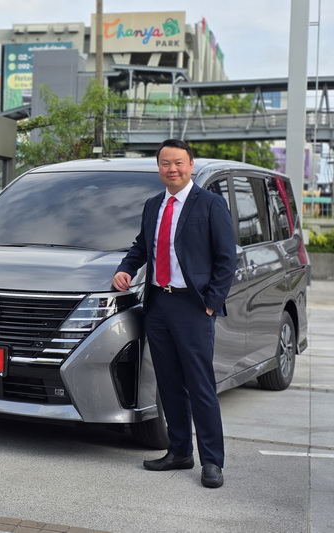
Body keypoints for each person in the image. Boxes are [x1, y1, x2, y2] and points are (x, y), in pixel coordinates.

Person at [112, 139, 236, 488]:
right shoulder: (154, 205)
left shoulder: (210, 204)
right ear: (159, 168)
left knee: (200, 386)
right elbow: (142, 246)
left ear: (191, 165)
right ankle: (179, 451)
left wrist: (210, 302)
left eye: (179, 163)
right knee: (168, 383)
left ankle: (212, 462)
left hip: (193, 306)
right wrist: (125, 268)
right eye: (166, 163)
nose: (172, 169)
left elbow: (227, 259)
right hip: (158, 305)